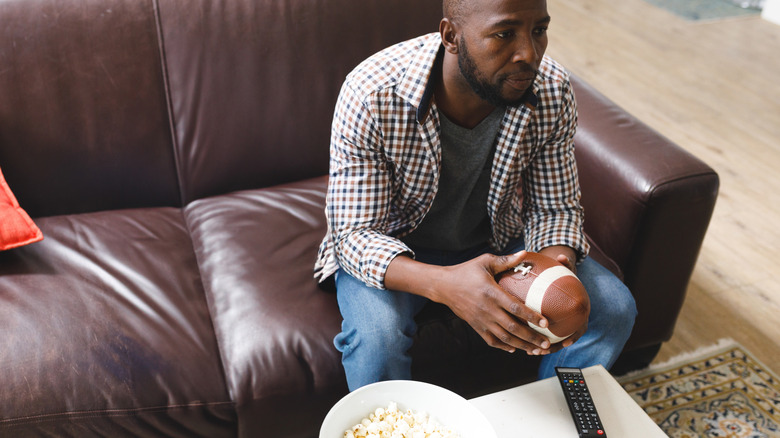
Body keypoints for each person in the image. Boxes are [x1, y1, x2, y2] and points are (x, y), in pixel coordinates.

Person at [314, 0, 637, 391]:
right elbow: (352, 235)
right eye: (504, 34)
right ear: (451, 36)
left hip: (497, 243)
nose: (528, 54)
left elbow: (555, 207)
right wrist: (446, 285)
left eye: (539, 30)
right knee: (378, 336)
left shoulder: (549, 89)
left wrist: (551, 274)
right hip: (397, 247)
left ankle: (556, 421)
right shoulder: (374, 93)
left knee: (613, 309)